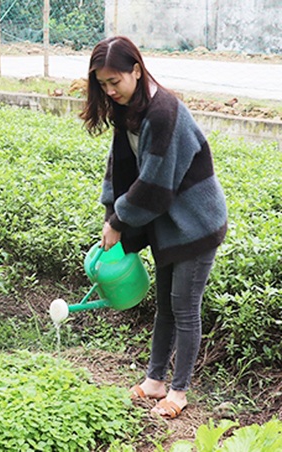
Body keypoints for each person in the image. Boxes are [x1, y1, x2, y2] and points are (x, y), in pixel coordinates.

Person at [80, 36, 228, 419]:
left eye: (115, 82)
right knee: (165, 306)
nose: (110, 91)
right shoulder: (127, 108)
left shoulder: (163, 112)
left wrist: (119, 221)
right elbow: (120, 166)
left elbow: (154, 185)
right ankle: (154, 381)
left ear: (137, 70)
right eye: (103, 85)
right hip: (167, 223)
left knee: (184, 307)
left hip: (195, 224)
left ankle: (178, 392)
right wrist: (111, 210)